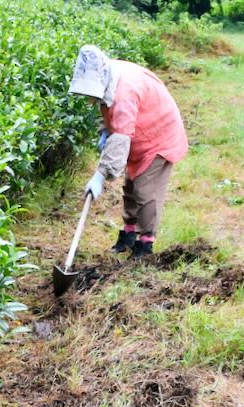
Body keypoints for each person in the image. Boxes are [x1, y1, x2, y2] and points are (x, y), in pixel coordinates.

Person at [69, 45, 188, 259]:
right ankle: (129, 234)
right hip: (140, 129)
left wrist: (100, 175)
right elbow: (109, 109)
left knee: (145, 190)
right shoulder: (108, 72)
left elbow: (121, 136)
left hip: (159, 135)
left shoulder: (124, 92)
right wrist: (105, 130)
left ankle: (146, 243)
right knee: (130, 185)